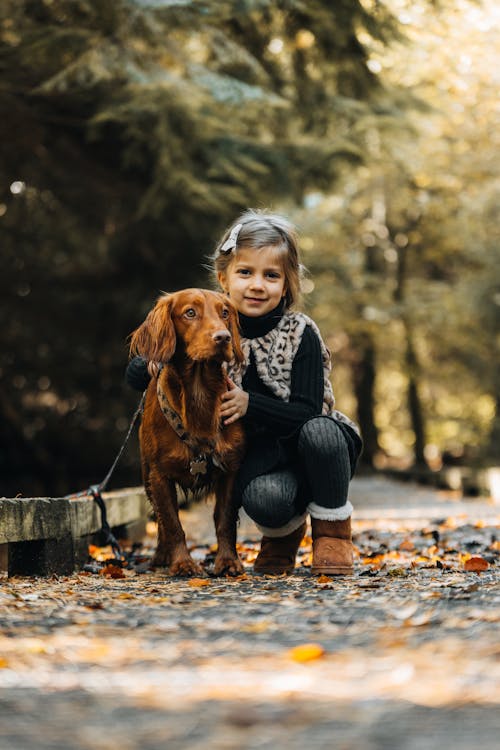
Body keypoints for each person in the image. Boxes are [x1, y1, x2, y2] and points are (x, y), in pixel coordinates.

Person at [126, 209, 362, 576]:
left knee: (321, 431)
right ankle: (282, 537)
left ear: (287, 285)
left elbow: (308, 410)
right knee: (263, 496)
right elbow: (140, 371)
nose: (257, 285)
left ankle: (333, 536)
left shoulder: (302, 332)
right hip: (265, 457)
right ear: (224, 279)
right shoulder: (210, 326)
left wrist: (250, 404)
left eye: (271, 275)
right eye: (245, 273)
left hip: (313, 446)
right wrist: (153, 357)